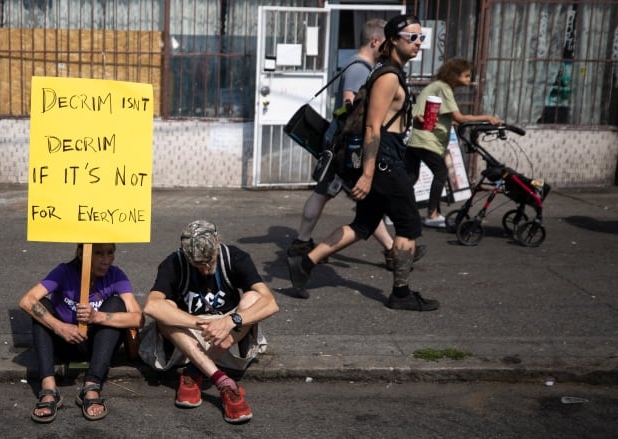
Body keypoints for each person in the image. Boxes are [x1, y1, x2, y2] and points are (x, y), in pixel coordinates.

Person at [287, 14, 439, 312]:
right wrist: (368, 174)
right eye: (412, 37)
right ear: (393, 39)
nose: (418, 43)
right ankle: (401, 293)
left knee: (363, 224)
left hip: (386, 156)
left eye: (422, 38)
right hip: (384, 161)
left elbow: (388, 118)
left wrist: (414, 121)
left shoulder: (393, 72)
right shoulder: (388, 76)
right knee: (408, 225)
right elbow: (372, 127)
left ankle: (305, 262)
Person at [140, 220, 279, 424]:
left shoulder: (235, 257)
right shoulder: (174, 263)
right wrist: (198, 323)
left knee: (253, 297)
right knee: (164, 308)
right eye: (198, 265)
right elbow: (151, 306)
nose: (205, 270)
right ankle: (222, 381)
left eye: (210, 261)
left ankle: (194, 371)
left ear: (218, 242)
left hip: (227, 340)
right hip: (187, 341)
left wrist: (232, 320)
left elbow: (270, 303)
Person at [19, 243, 144, 423]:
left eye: (110, 253)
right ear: (81, 254)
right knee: (41, 307)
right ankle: (48, 389)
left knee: (116, 304)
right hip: (64, 342)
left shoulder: (116, 275)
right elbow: (26, 301)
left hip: (96, 345)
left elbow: (138, 318)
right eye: (99, 253)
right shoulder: (64, 271)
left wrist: (98, 317)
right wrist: (59, 326)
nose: (106, 260)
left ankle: (92, 386)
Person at [405, 58, 502, 228]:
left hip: (417, 139)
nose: (469, 80)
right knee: (441, 173)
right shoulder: (443, 88)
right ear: (454, 75)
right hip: (427, 140)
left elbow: (451, 119)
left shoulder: (437, 87)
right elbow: (459, 117)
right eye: (466, 76)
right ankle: (432, 214)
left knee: (410, 178)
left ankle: (389, 210)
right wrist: (487, 118)